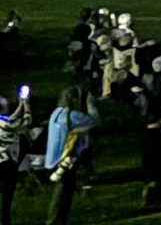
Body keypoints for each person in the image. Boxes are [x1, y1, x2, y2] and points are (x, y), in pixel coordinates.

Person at [40, 88, 93, 225]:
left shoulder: (56, 113)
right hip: (65, 160)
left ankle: (60, 219)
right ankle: (53, 220)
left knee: (64, 192)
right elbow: (94, 121)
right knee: (62, 194)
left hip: (53, 159)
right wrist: (91, 104)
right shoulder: (72, 116)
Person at [0, 83, 30, 225]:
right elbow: (27, 121)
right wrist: (26, 105)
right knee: (6, 199)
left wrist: (20, 105)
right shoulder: (8, 123)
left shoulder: (4, 122)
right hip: (7, 164)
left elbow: (11, 117)